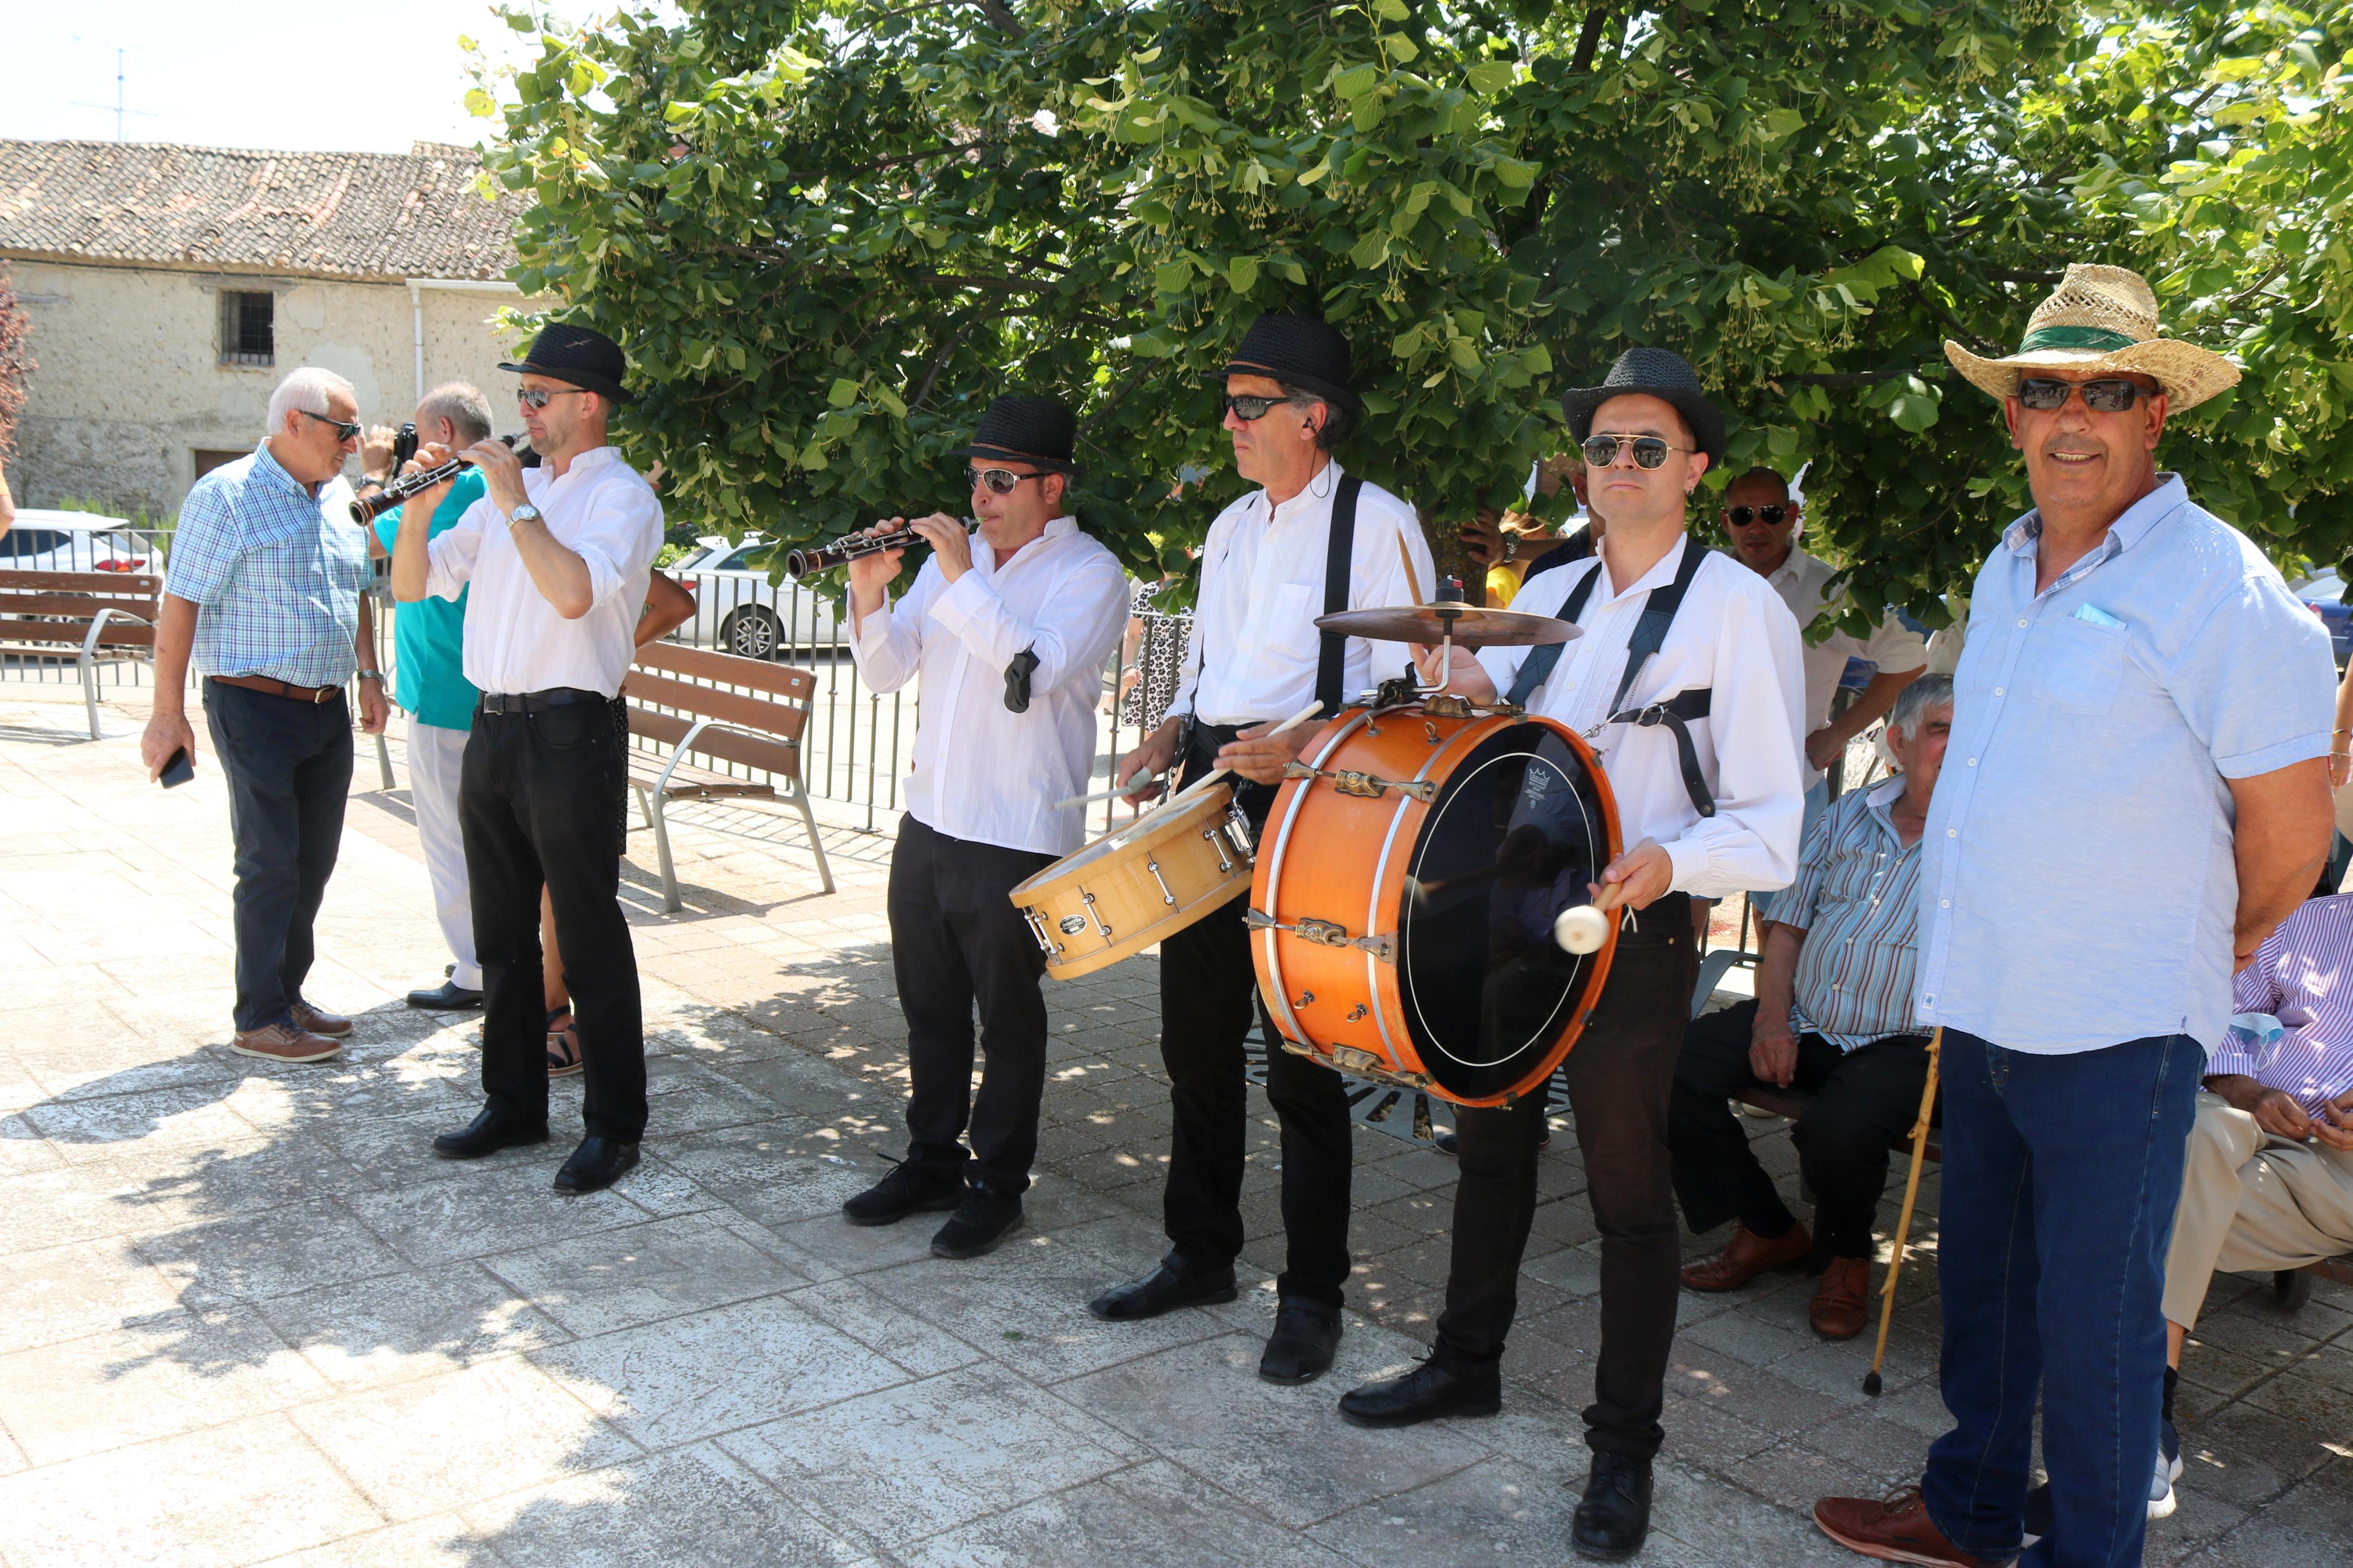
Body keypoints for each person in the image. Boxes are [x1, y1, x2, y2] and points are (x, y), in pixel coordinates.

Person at [1814, 264, 2337, 1568]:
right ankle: (1970, 1505)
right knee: (1982, 1288)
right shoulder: (2003, 566)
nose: (2069, 417)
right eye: (2041, 390)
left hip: (2116, 1023)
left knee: (2098, 1322)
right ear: (2009, 415)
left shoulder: (2218, 585)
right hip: (1985, 997)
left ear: (2153, 413)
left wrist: (2205, 949)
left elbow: (2290, 833)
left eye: (2105, 391)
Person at [1338, 346, 1807, 1563]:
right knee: (1485, 1145)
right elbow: (1496, 737)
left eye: (1646, 446)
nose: (1619, 465)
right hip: (1511, 907)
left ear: (1693, 468)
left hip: (1633, 928)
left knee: (1624, 1190)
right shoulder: (1548, 583)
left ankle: (1621, 1452)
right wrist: (1452, 674)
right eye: (1601, 447)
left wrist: (1667, 862)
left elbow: (1769, 824)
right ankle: (1465, 1364)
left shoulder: (1736, 609)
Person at [1093, 314, 1434, 1385]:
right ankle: (1198, 1253)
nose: (1230, 421)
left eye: (1249, 405)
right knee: (1192, 1042)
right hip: (1210, 783)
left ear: (1311, 416)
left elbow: (1415, 682)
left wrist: (1297, 745)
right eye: (1230, 404)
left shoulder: (1375, 523)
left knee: (1305, 1058)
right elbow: (1209, 656)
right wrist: (1170, 727)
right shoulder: (1234, 523)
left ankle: (1315, 1293)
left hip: (1310, 806)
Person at [834, 394, 1127, 1258]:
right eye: (975, 478)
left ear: (1052, 486)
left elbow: (1029, 671)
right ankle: (930, 1156)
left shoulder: (1089, 574)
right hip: (929, 819)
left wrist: (961, 578)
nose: (983, 496)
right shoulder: (950, 568)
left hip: (1016, 830)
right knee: (928, 1007)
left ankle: (998, 1182)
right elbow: (888, 670)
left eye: (1001, 480)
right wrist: (867, 594)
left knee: (1007, 1019)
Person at [389, 322, 665, 1197]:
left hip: (570, 729)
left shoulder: (619, 497)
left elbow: (576, 591)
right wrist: (421, 507)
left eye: (539, 396)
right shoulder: (503, 493)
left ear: (589, 405)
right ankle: (512, 1103)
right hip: (495, 725)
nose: (524, 411)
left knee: (585, 933)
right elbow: (409, 583)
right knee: (500, 930)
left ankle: (614, 1125)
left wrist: (515, 502)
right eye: (521, 395)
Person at [1670, 675, 1951, 1341]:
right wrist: (1770, 1019)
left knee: (1840, 1126)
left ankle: (1847, 1255)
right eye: (1941, 728)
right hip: (1808, 1014)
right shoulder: (1847, 813)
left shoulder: (1993, 840)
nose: (1959, 744)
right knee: (1671, 1069)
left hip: (1911, 1040)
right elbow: (1788, 925)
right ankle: (1767, 1227)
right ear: (1897, 743)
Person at [139, 367, 389, 1062]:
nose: (352, 445)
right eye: (344, 432)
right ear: (296, 423)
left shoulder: (337, 494)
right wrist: (168, 714)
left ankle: (288, 992)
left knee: (314, 862)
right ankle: (259, 1016)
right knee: (269, 861)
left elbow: (357, 589)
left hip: (326, 705)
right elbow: (181, 600)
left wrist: (369, 674)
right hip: (252, 703)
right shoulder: (226, 495)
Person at [1718, 468, 1926, 920]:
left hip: (1789, 783)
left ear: (1791, 516)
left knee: (1782, 921)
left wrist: (1839, 735)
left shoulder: (1828, 591)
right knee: (1679, 905)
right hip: (1700, 776)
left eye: (1770, 513)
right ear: (1725, 521)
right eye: (1742, 514)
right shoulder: (1704, 581)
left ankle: (1768, 997)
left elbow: (1908, 657)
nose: (1756, 526)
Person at [362, 384, 495, 1012]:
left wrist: (376, 472)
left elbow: (361, 537)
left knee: (449, 842)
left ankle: (474, 969)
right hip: (486, 693)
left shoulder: (449, 491)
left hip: (444, 698)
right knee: (491, 845)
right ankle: (492, 955)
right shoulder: (499, 486)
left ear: (443, 429)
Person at [539, 565, 697, 1072]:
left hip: (587, 716)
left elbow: (675, 603)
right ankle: (550, 1007)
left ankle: (572, 1021)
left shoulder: (607, 529)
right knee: (544, 873)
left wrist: (615, 652)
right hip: (532, 717)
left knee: (579, 880)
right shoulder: (525, 530)